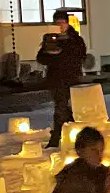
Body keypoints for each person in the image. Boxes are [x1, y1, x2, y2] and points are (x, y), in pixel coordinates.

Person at [36, 10, 88, 148]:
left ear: (67, 23)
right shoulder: (50, 39)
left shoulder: (75, 39)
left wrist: (59, 55)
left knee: (68, 109)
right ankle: (64, 136)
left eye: (62, 23)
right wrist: (49, 52)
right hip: (56, 79)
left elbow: (79, 56)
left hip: (72, 78)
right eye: (57, 23)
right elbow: (41, 58)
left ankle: (62, 137)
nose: (59, 26)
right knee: (62, 108)